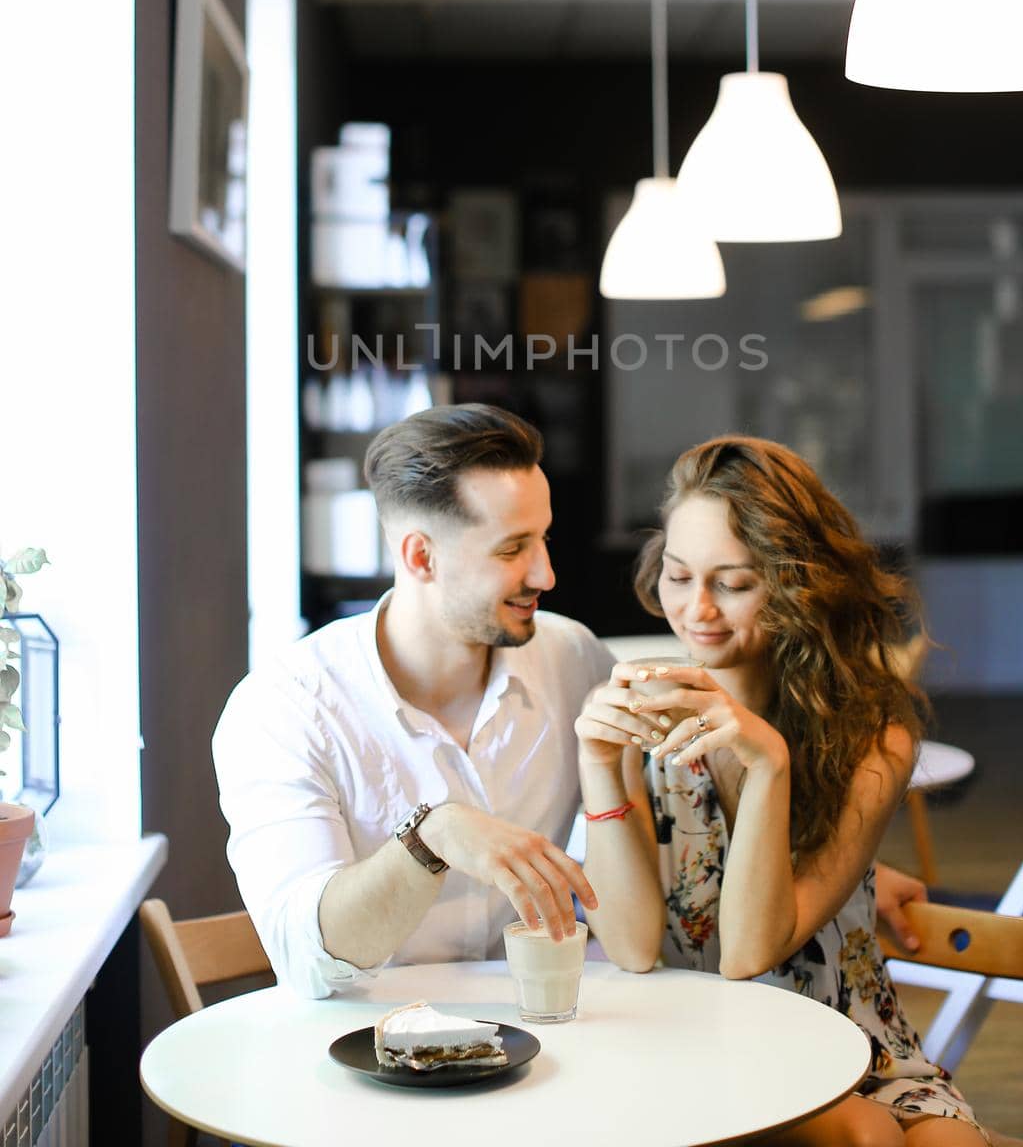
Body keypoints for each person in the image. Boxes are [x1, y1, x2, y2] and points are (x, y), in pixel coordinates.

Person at [213, 403, 928, 1001]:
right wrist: (430, 838)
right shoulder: (285, 709)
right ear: (420, 557)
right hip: (369, 1061)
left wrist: (847, 869)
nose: (547, 573)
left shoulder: (570, 657)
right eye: (512, 549)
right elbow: (306, 954)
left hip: (554, 1042)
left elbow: (668, 819)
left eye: (545, 539)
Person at [576, 435, 985, 1146]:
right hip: (699, 1042)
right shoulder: (640, 719)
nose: (695, 609)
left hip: (856, 1038)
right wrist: (595, 765)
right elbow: (645, 948)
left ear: (798, 583)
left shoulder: (872, 732)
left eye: (732, 583)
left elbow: (768, 941)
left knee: (944, 1141)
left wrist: (767, 760)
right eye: (676, 576)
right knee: (858, 1137)